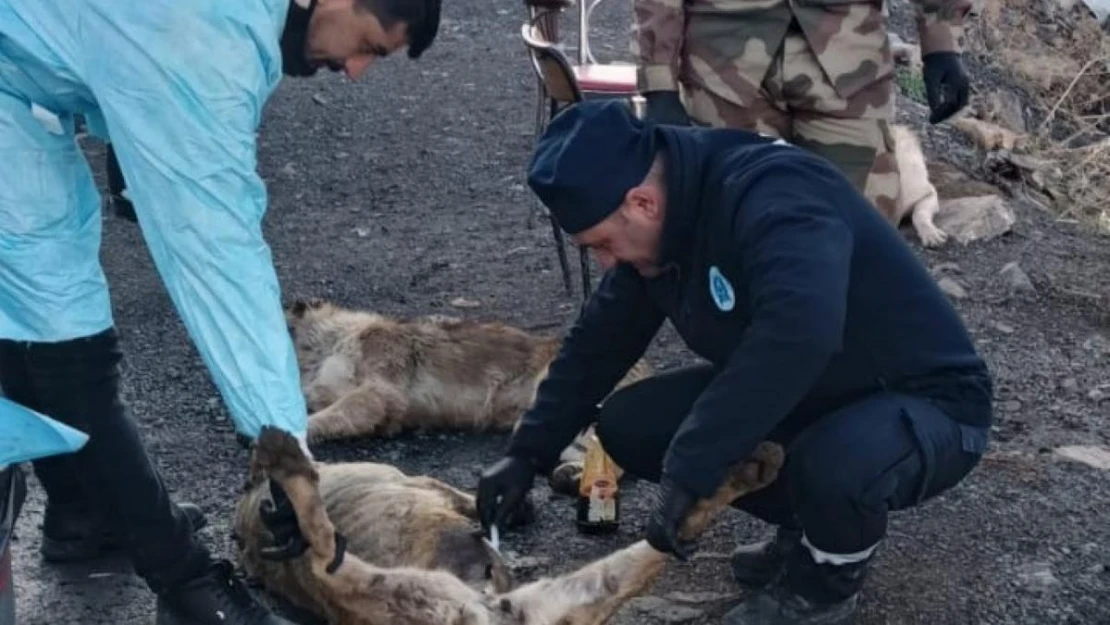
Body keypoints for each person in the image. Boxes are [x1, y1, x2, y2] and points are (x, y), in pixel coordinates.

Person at [0, 0, 439, 623]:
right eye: (368, 43)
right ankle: (185, 585)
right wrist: (283, 447)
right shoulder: (203, 31)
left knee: (30, 301)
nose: (357, 69)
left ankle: (85, 513)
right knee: (66, 339)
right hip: (11, 80)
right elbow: (215, 246)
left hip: (19, 74)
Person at [475, 100, 993, 625]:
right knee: (630, 424)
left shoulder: (775, 194)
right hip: (814, 392)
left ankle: (825, 584)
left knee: (834, 465)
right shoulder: (660, 228)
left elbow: (799, 334)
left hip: (924, 401)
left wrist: (694, 464)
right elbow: (595, 347)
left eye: (603, 244)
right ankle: (809, 525)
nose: (607, 262)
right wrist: (526, 454)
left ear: (643, 203)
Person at [631, 0, 974, 218]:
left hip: (850, 64)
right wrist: (660, 82)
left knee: (861, 225)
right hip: (724, 69)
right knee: (731, 225)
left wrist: (941, 43)